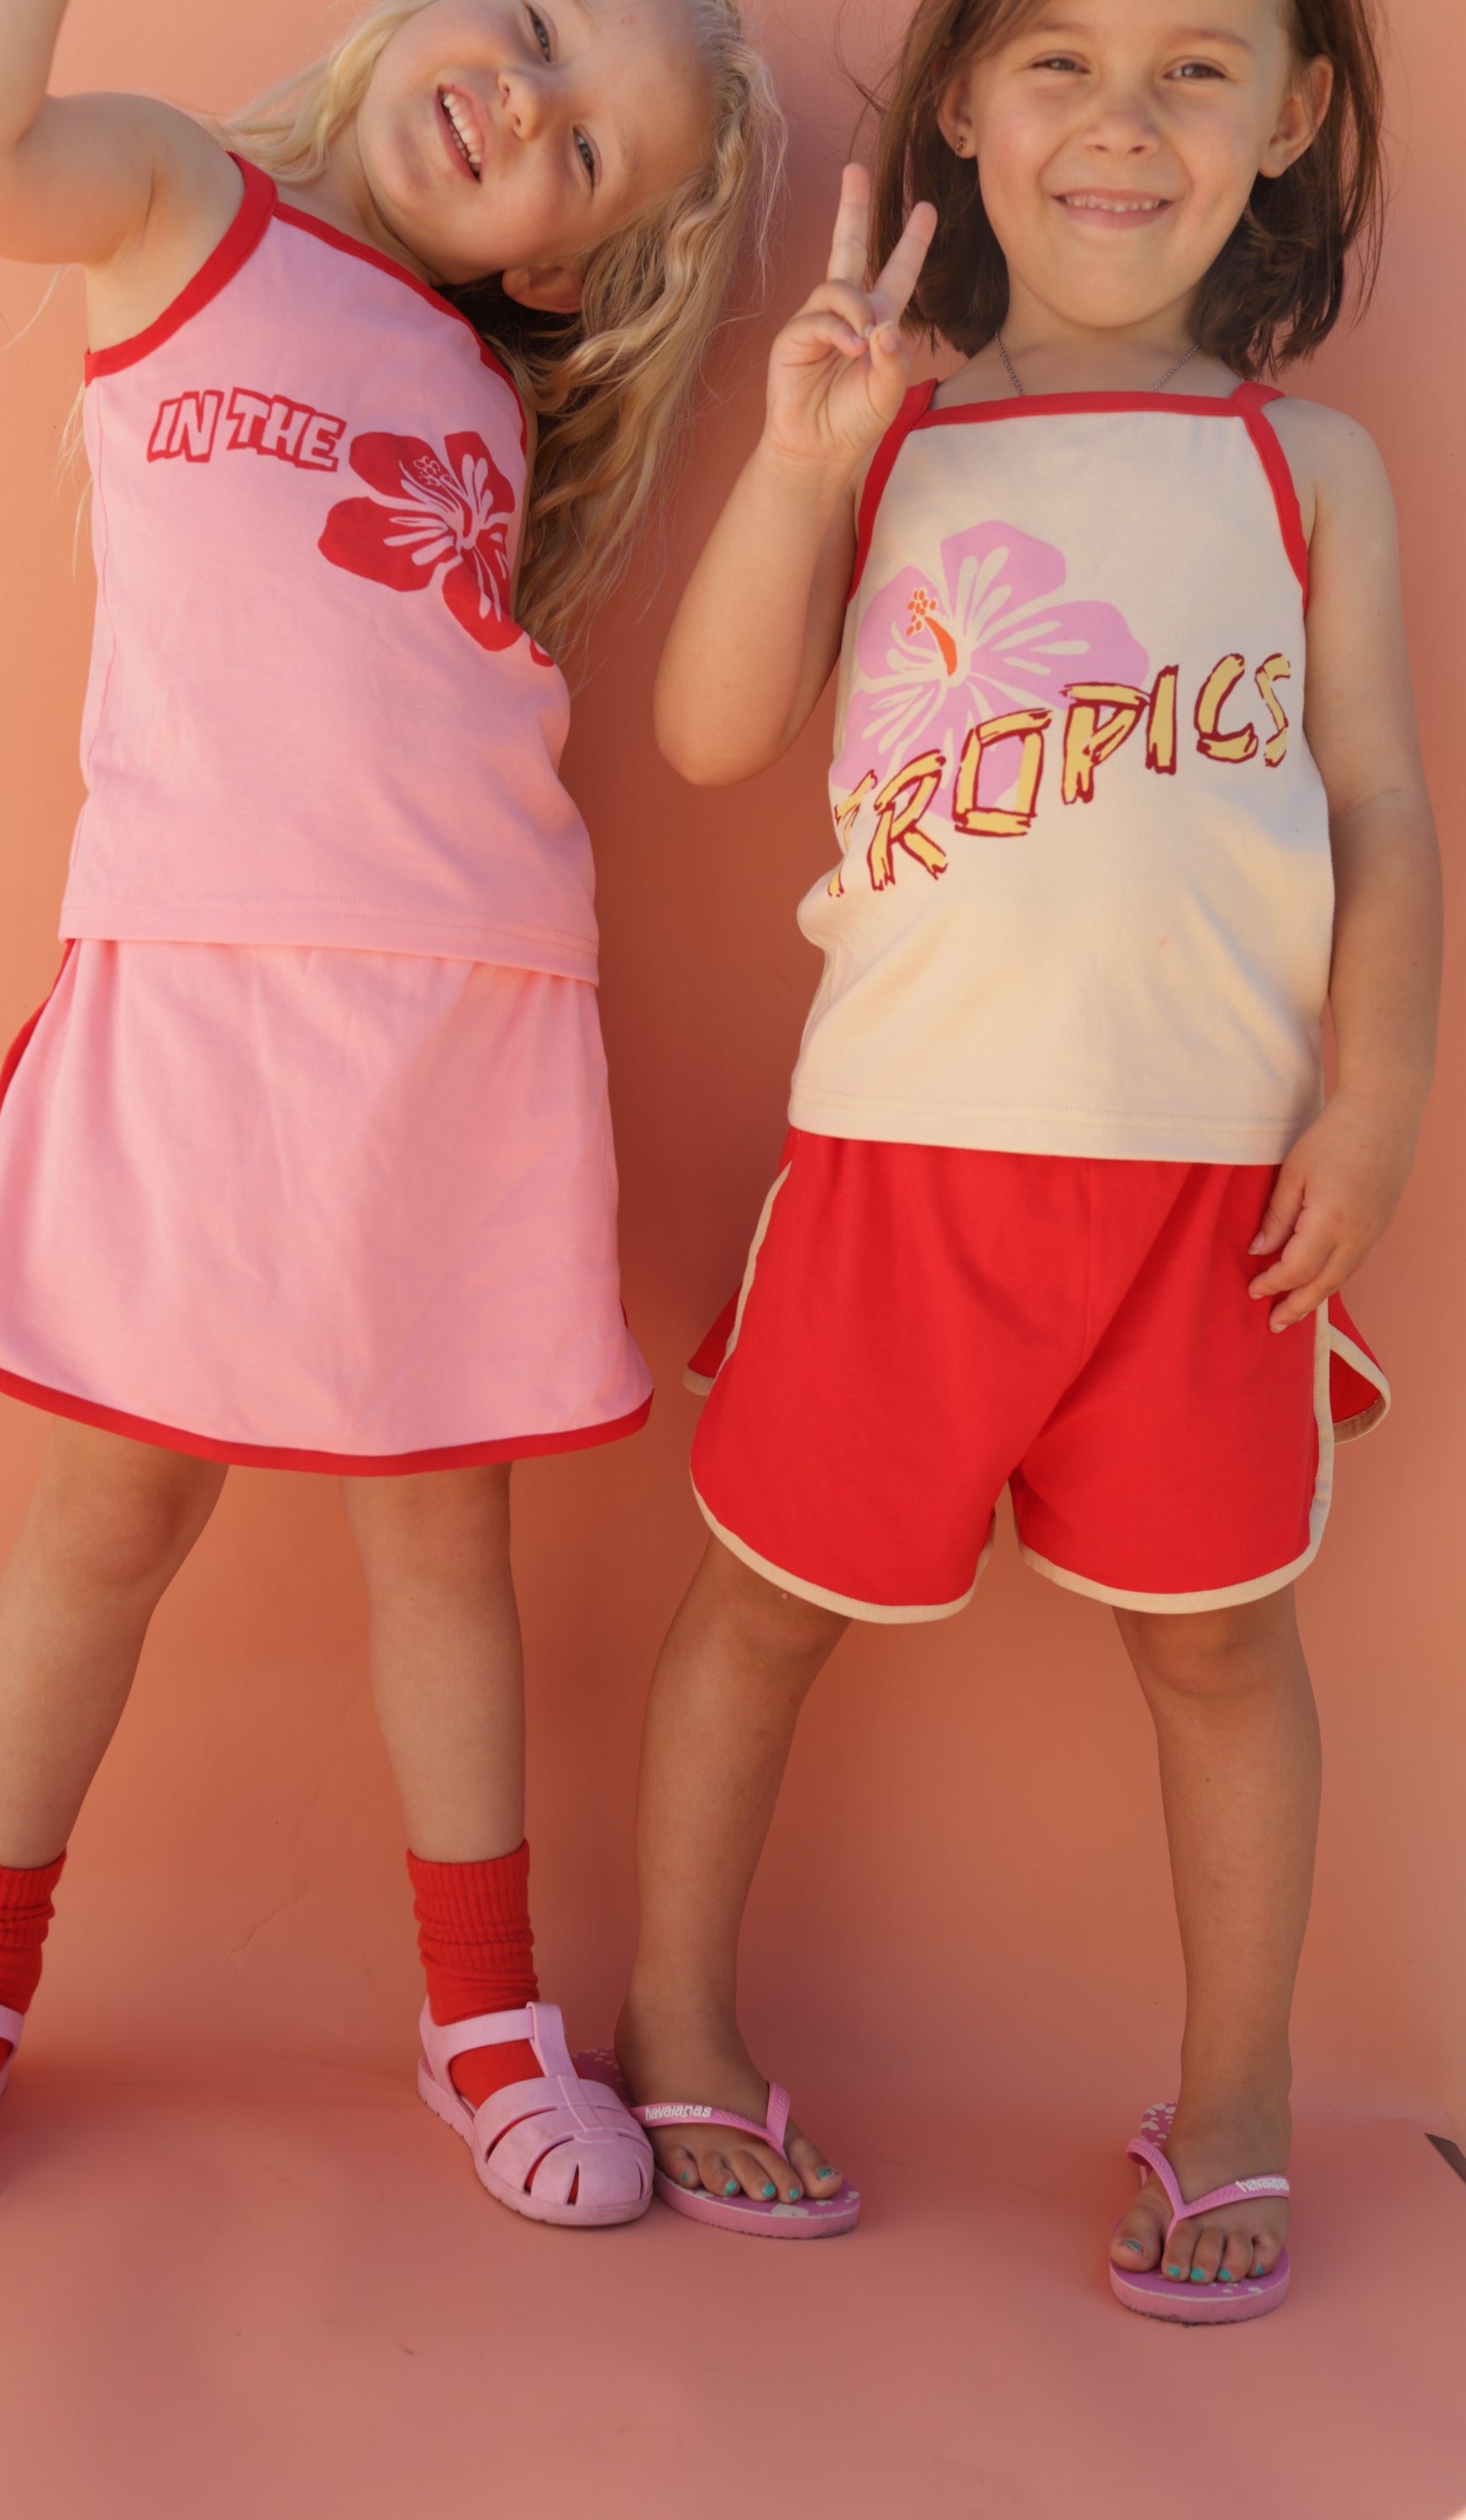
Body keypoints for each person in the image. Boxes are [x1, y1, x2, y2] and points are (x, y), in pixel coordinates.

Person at [0, 0, 780, 2232]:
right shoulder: (176, 204)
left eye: (588, 158)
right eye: (532, 29)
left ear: (561, 268)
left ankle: (485, 2015)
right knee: (107, 1520)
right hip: (206, 1002)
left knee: (446, 1545)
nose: (525, 101)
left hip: (470, 1032)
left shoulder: (490, 388)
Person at [615, 0, 1435, 2319]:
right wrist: (798, 462)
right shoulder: (891, 435)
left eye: (1198, 68)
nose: (1122, 122)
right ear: (964, 107)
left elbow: (1378, 803)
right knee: (762, 1609)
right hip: (901, 1171)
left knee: (1219, 1651)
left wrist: (1374, 1099)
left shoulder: (1310, 473)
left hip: (1211, 1204)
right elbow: (700, 737)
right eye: (1059, 58)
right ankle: (678, 2025)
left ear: (1287, 124)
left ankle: (1243, 2092)